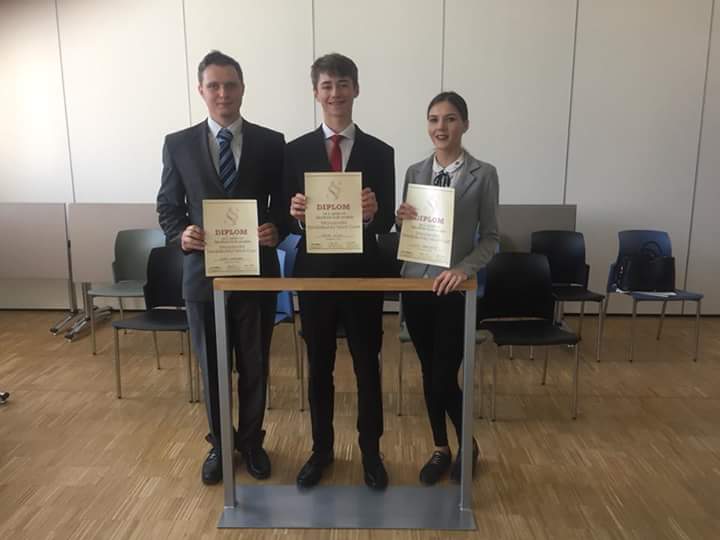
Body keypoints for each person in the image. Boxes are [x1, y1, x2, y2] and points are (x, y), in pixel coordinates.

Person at [157, 50, 286, 485]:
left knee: (254, 364)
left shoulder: (271, 142)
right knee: (212, 367)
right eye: (213, 85)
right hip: (203, 278)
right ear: (201, 90)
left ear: (242, 88)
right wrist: (181, 235)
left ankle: (251, 442)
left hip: (256, 274)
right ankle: (220, 444)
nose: (223, 93)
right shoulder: (178, 144)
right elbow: (168, 206)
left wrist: (276, 228)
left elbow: (285, 204)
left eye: (230, 84)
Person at [285, 53, 395, 490]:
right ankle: (321, 450)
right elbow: (284, 214)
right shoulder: (294, 151)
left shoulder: (380, 152)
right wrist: (295, 215)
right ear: (316, 93)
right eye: (327, 85)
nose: (335, 93)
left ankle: (371, 452)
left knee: (368, 366)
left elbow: (385, 222)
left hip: (363, 274)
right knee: (320, 368)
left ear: (356, 89)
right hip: (315, 275)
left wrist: (372, 213)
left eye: (343, 84)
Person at [396, 91, 499, 485]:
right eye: (434, 119)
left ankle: (468, 445)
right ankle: (441, 447)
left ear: (465, 124)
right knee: (428, 373)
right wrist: (401, 220)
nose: (441, 127)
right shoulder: (414, 171)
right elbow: (407, 231)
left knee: (443, 376)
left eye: (450, 119)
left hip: (454, 291)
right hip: (416, 286)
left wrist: (462, 269)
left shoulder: (483, 174)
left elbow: (491, 238)